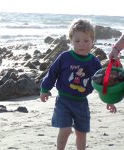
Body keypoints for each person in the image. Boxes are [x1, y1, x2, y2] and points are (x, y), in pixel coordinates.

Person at [40, 19, 117, 150]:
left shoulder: (94, 62)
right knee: (65, 130)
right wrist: (45, 89)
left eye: (86, 41)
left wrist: (108, 100)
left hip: (81, 103)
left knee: (81, 133)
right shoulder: (65, 57)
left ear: (93, 41)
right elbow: (52, 73)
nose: (82, 44)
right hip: (63, 100)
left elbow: (101, 82)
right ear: (71, 41)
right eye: (77, 41)